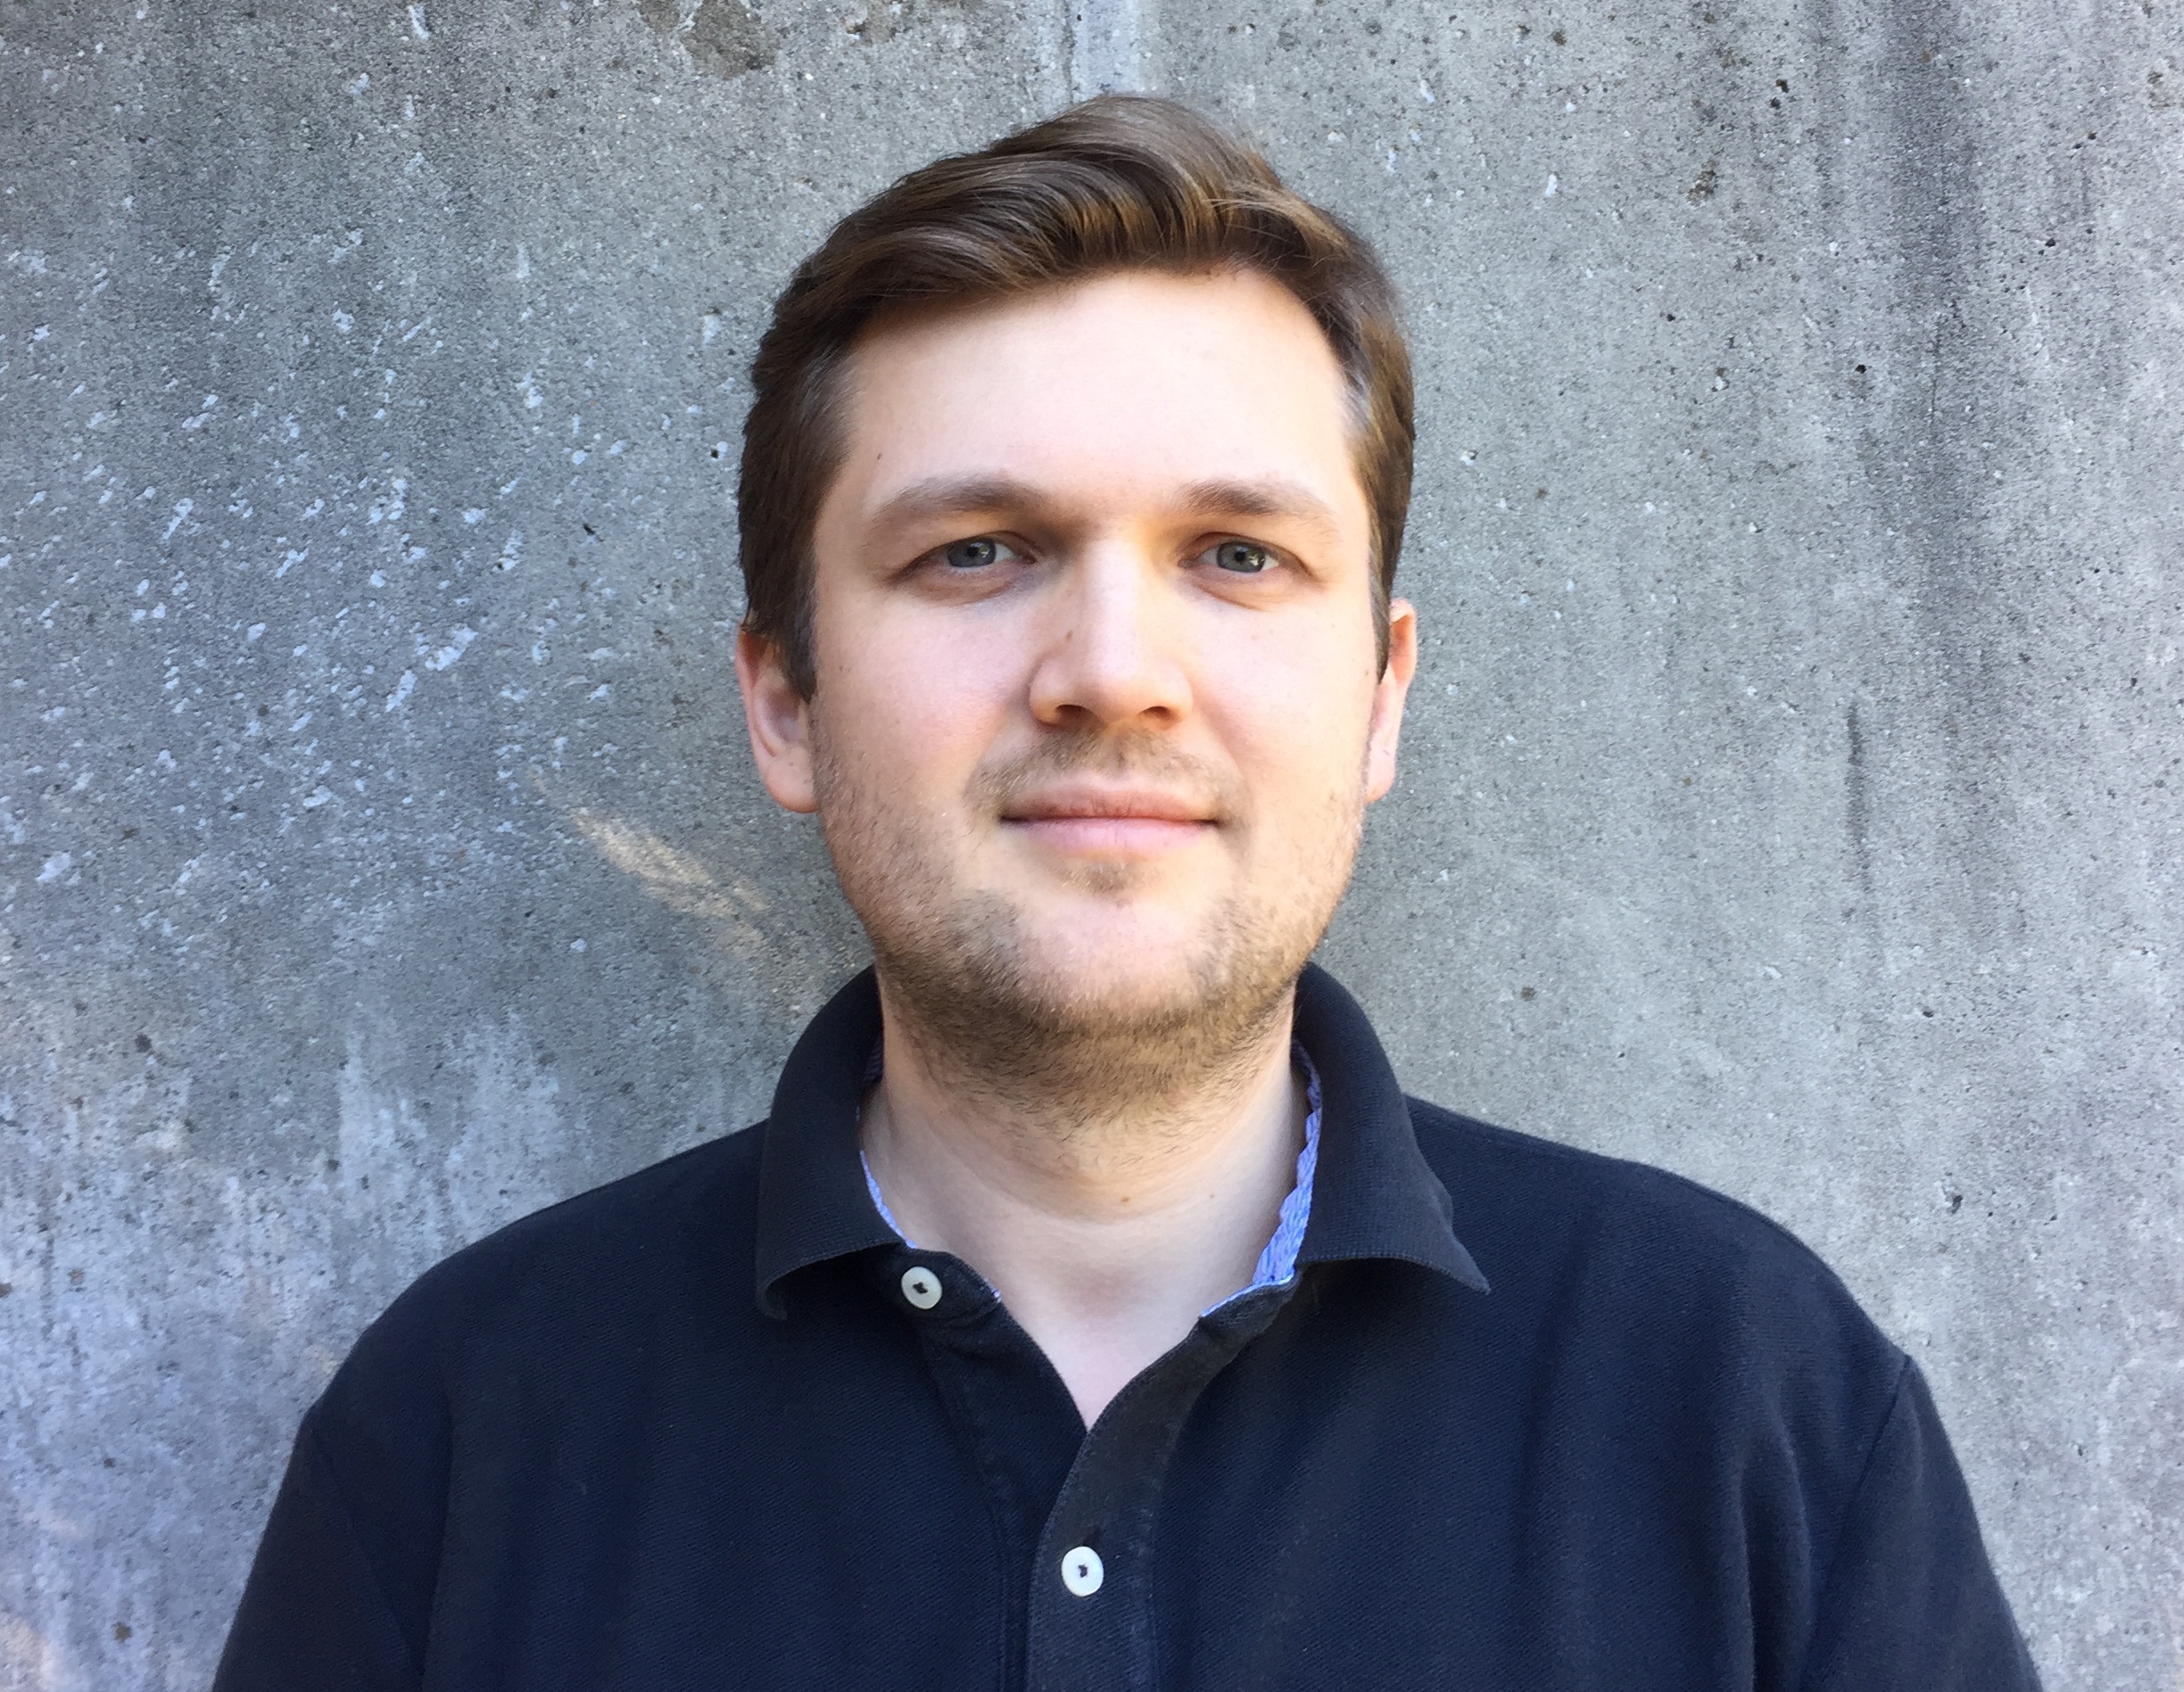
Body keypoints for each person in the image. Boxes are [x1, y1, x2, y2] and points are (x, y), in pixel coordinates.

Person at [214, 96, 2040, 1691]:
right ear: (786, 702)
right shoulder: (461, 1433)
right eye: (977, 552)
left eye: (1235, 555)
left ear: (1379, 695)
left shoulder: (1751, 1411)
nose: (1110, 671)